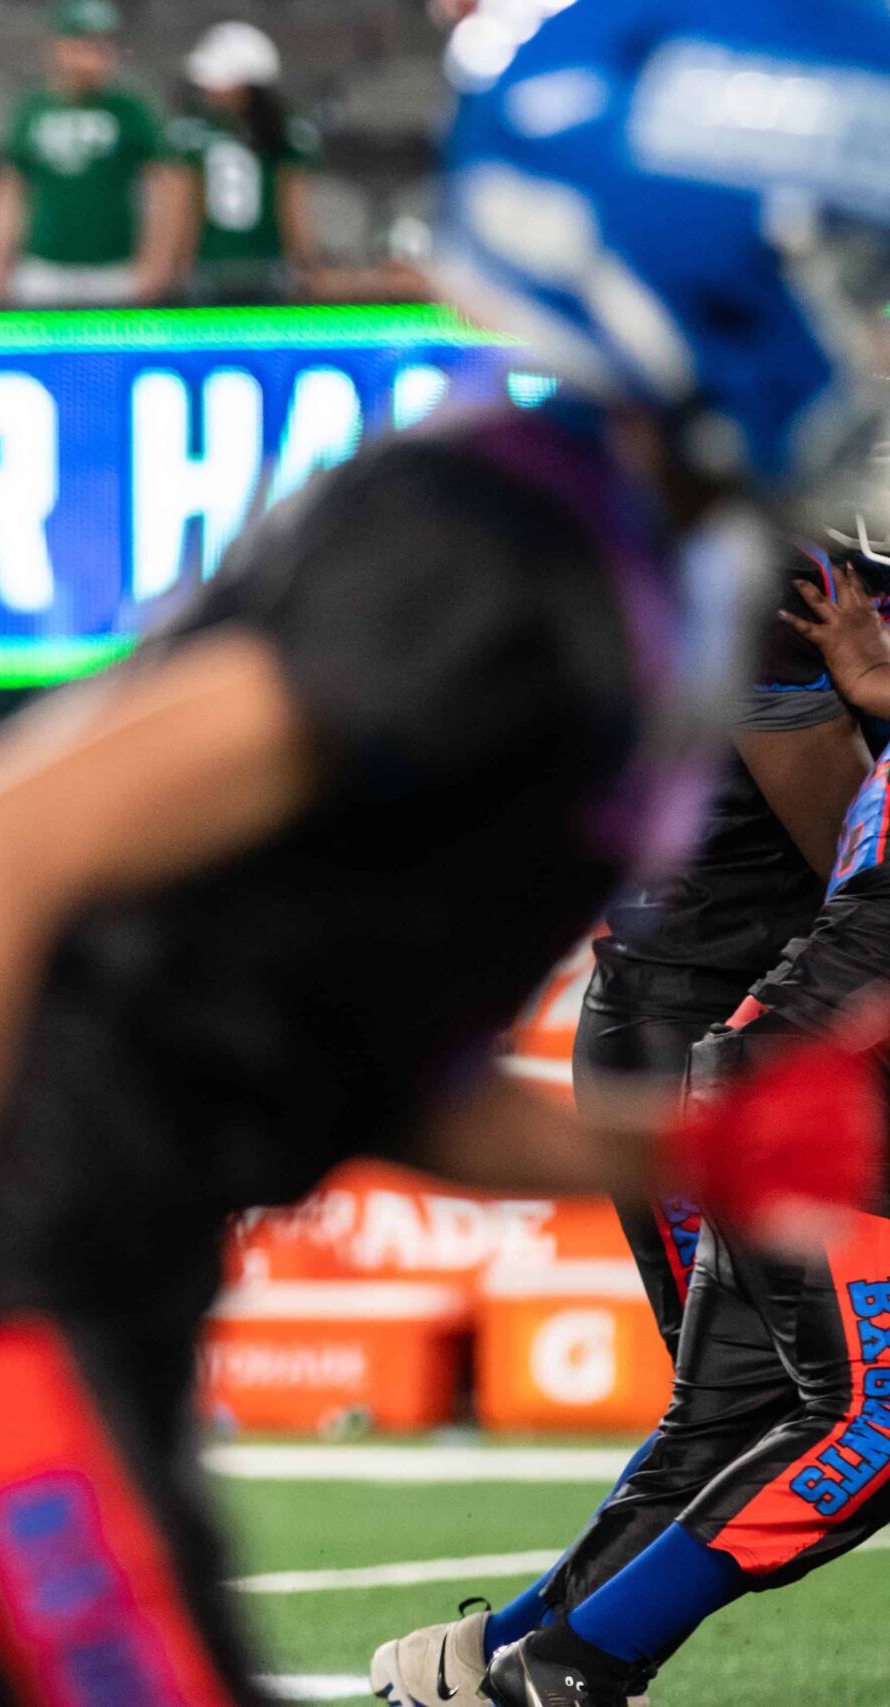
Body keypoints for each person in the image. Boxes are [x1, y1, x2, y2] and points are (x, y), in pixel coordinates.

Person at [0, 1, 890, 1701]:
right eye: (843, 271)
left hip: (100, 1256)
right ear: (699, 268)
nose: (865, 328)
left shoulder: (654, 588)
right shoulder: (492, 546)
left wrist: (690, 1149)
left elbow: (375, 1069)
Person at [370, 540, 881, 1707]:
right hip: (744, 1035)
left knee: (749, 1408)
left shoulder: (763, 573)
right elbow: (842, 849)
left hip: (738, 1025)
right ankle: (550, 1665)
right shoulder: (790, 582)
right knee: (821, 1411)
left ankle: (505, 1663)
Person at [0, 0, 184, 308]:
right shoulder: (33, 110)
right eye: (81, 45)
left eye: (100, 46)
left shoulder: (130, 109)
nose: (91, 58)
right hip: (44, 267)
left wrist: (157, 261)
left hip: (114, 268)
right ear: (57, 47)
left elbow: (167, 187)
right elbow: (9, 190)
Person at [165, 21, 317, 304]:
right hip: (230, 269)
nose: (208, 87)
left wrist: (304, 264)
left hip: (253, 267)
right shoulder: (287, 133)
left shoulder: (195, 132)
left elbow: (291, 210)